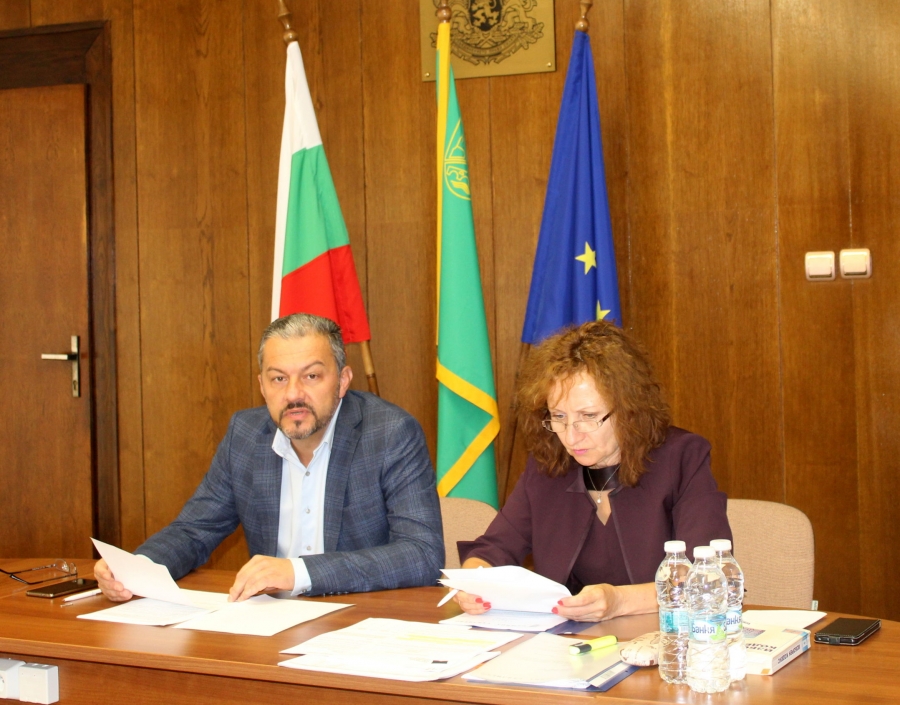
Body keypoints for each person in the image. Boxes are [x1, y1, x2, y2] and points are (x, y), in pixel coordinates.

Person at [95, 313, 444, 601]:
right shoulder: (246, 435)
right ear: (262, 386)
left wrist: (298, 572)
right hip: (268, 627)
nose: (293, 394)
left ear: (342, 381)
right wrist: (136, 567)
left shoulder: (390, 433)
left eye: (311, 376)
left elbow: (422, 554)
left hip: (360, 621)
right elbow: (195, 530)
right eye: (278, 379)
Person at [455, 320, 731, 621]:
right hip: (571, 641)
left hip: (666, 636)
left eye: (588, 416)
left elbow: (708, 577)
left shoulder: (682, 458)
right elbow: (493, 549)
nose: (572, 437)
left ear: (628, 409)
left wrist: (619, 601)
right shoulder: (549, 465)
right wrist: (474, 583)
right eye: (559, 417)